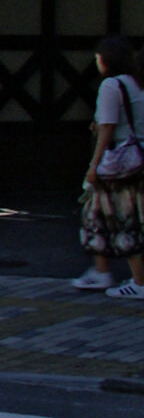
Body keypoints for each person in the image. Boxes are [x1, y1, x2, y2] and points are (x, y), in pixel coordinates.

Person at [75, 35, 144, 298]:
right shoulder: (138, 84)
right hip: (139, 158)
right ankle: (100, 269)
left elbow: (107, 128)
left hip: (120, 163)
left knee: (122, 218)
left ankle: (138, 281)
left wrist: (93, 165)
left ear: (106, 60)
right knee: (99, 213)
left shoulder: (111, 86)